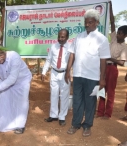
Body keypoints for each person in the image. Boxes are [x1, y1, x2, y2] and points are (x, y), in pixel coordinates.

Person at [64, 9, 111, 137]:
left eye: (90, 22)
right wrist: (68, 71)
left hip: (93, 77)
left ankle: (87, 125)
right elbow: (72, 55)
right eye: (86, 22)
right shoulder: (79, 36)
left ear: (96, 22)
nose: (87, 25)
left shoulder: (102, 39)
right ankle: (75, 124)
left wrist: (102, 78)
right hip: (78, 75)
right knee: (77, 101)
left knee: (90, 102)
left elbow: (103, 61)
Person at [0, 44, 32, 134]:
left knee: (21, 102)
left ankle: (20, 125)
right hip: (5, 80)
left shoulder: (14, 56)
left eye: (0, 55)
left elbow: (12, 79)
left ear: (4, 52)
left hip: (21, 81)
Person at [96, 1, 127, 120]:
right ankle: (99, 112)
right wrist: (110, 6)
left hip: (113, 68)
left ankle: (107, 114)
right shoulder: (113, 38)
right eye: (118, 33)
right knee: (101, 88)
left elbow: (122, 63)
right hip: (104, 66)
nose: (117, 35)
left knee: (110, 91)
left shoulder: (124, 47)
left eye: (120, 34)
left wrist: (110, 57)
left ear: (125, 35)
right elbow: (112, 22)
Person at [41, 29, 70, 126]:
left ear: (67, 37)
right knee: (53, 94)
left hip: (65, 74)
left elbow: (73, 62)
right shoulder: (53, 46)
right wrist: (44, 72)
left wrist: (71, 75)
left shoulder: (70, 47)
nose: (60, 39)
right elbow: (48, 60)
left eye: (62, 37)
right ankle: (53, 115)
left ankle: (62, 117)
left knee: (64, 96)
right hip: (54, 73)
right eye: (59, 36)